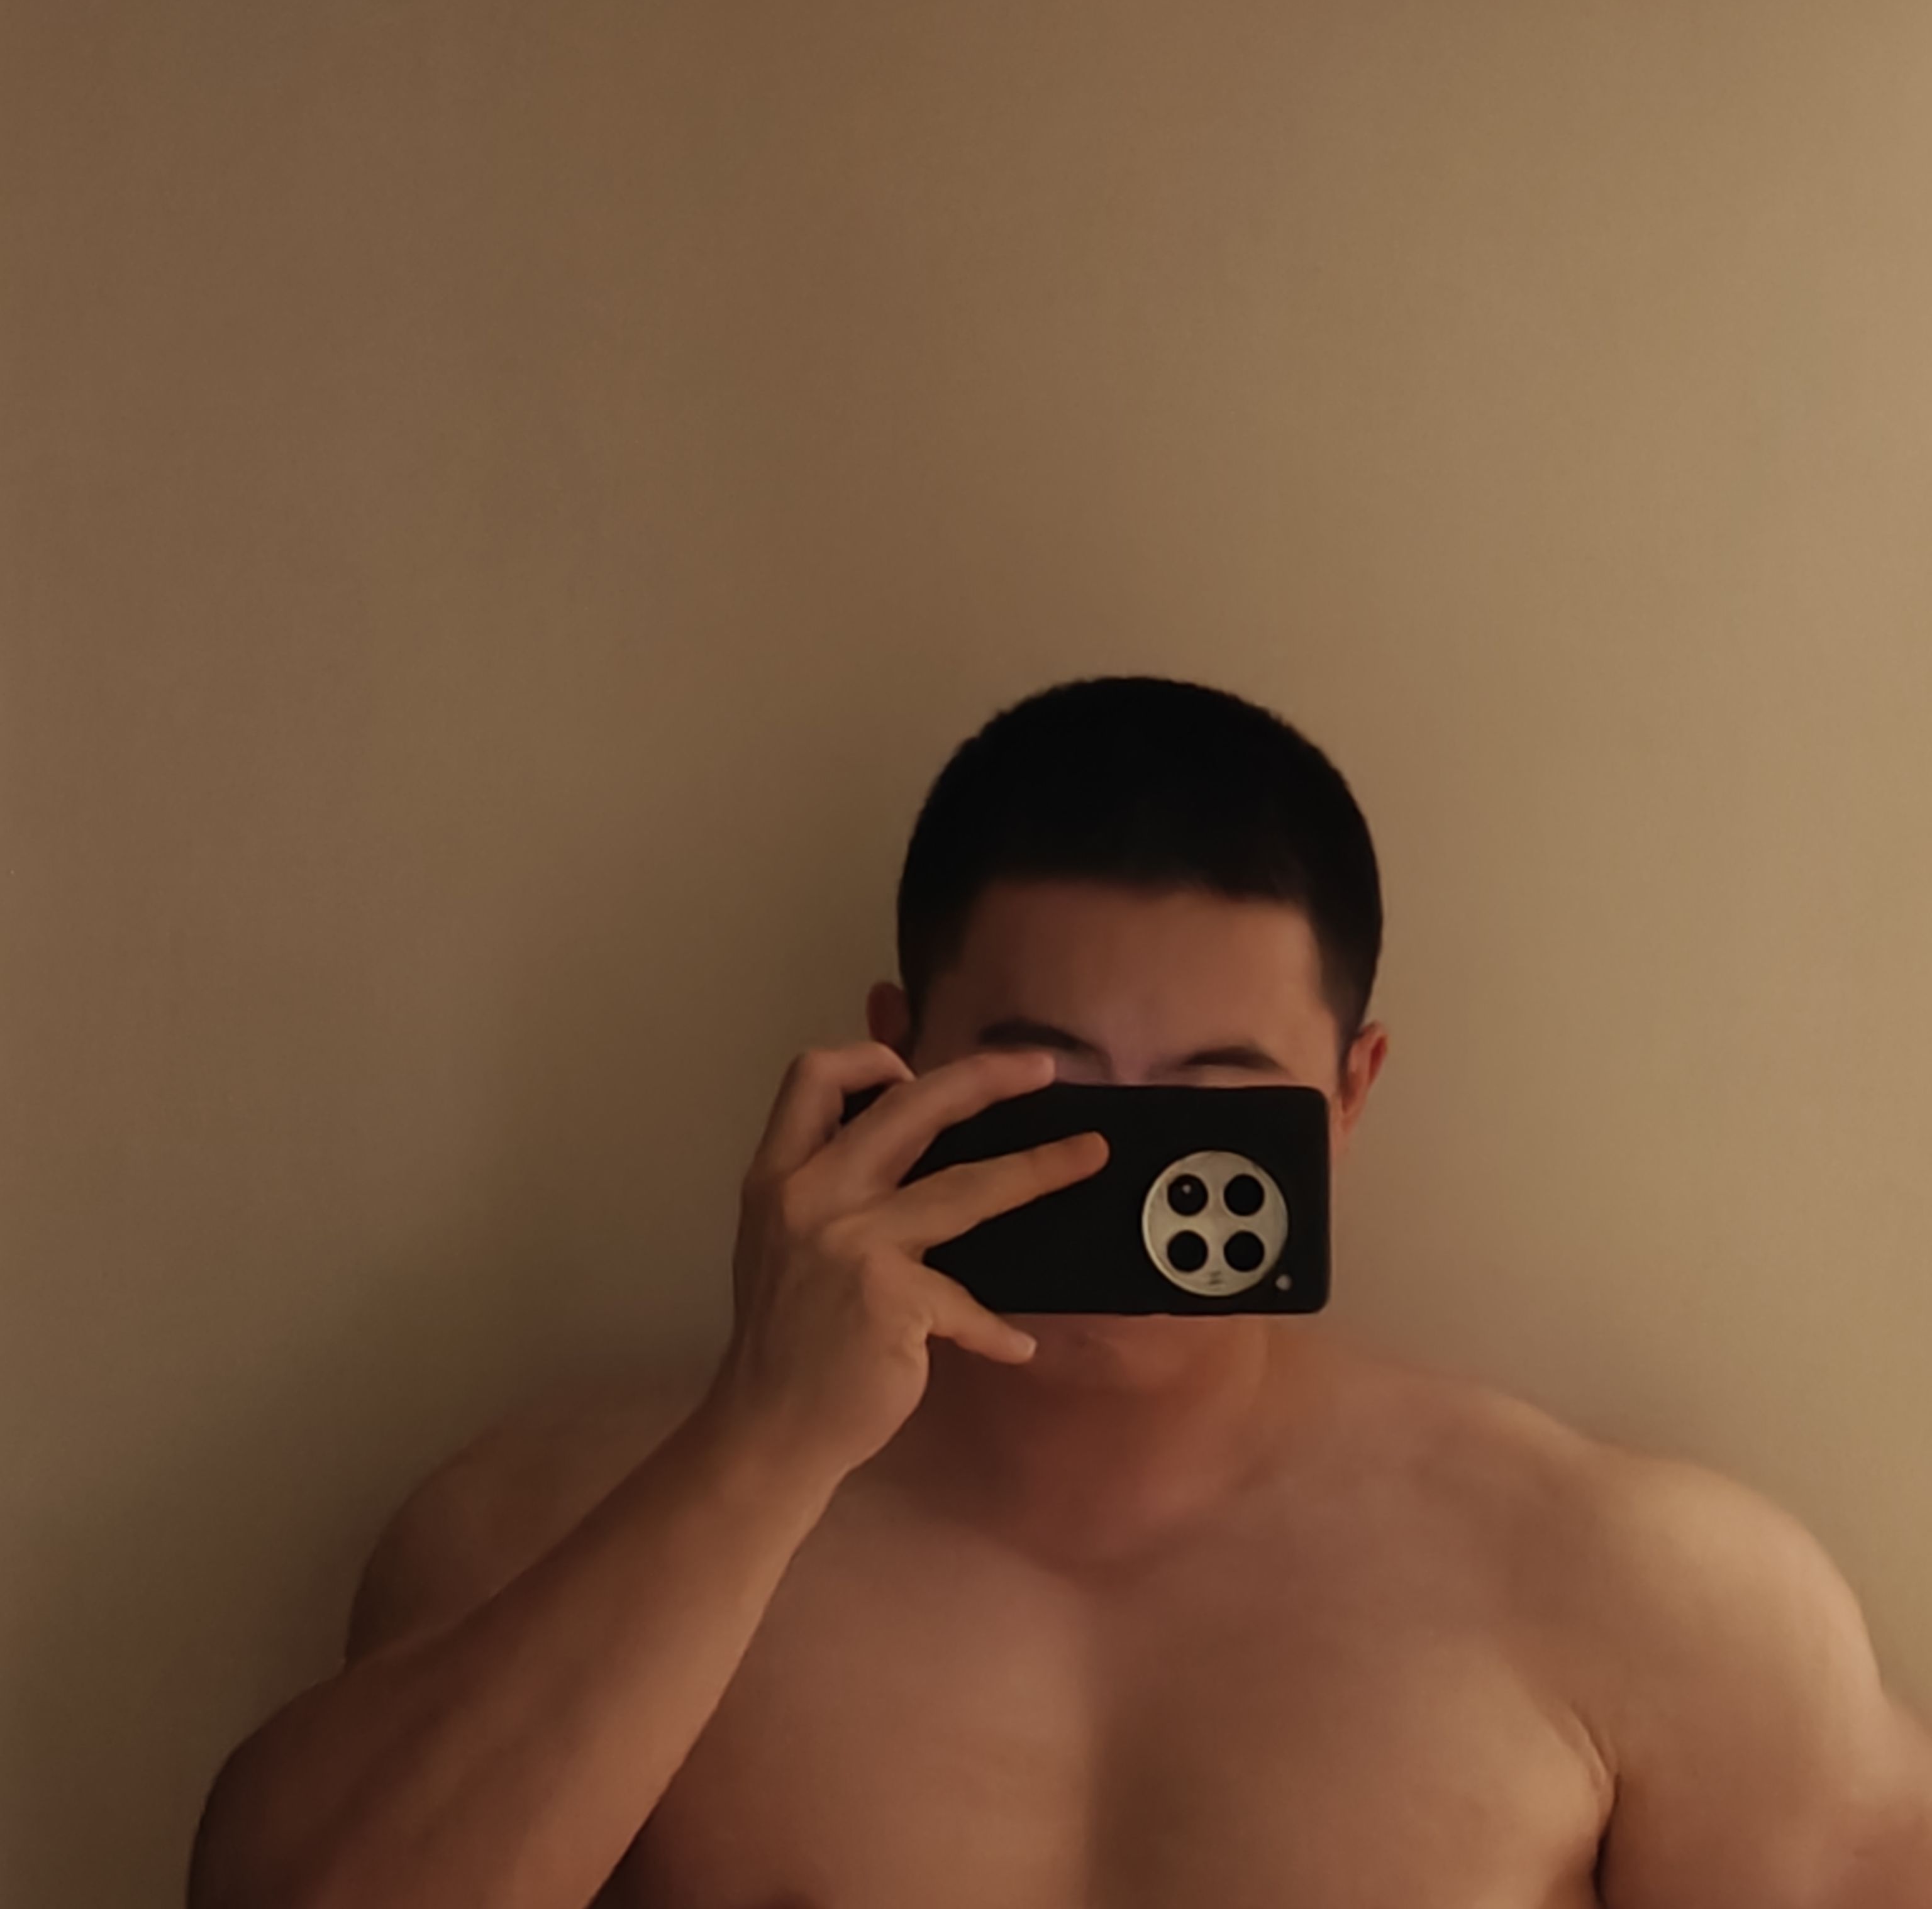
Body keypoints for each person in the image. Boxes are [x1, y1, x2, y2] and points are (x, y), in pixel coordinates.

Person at [188, 675, 1932, 1909]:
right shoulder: (558, 1527)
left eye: (1216, 1095)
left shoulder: (1639, 1594)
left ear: (1348, 1099)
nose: (1119, 1167)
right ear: (898, 1058)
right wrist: (762, 1451)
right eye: (1046, 1084)